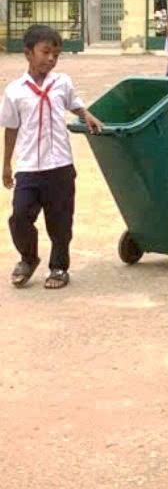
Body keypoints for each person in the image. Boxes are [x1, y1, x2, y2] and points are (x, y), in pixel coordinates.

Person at [1, 24, 102, 290]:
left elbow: (74, 104)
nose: (51, 59)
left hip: (60, 165)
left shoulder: (62, 83)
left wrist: (86, 115)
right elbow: (11, 128)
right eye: (45, 52)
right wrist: (6, 164)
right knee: (20, 216)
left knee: (60, 222)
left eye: (55, 55)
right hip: (29, 167)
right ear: (28, 53)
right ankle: (28, 258)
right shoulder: (14, 91)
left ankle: (59, 267)